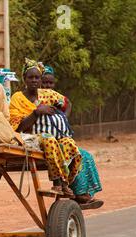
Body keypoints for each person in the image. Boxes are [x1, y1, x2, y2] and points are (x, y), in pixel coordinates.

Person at [10, 58, 82, 196]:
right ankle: (56, 181)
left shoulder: (47, 94)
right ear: (24, 79)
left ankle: (65, 182)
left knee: (69, 143)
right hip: (28, 138)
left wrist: (63, 117)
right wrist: (36, 113)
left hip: (52, 137)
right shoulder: (17, 98)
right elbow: (17, 128)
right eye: (30, 77)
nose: (34, 80)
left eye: (37, 77)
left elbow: (67, 103)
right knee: (49, 139)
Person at [41, 65, 103, 209]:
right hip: (46, 139)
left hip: (59, 137)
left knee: (85, 155)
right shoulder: (35, 96)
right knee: (73, 153)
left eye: (50, 83)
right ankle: (78, 194)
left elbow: (68, 103)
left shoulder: (54, 95)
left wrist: (63, 117)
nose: (47, 86)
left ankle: (80, 193)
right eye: (44, 82)